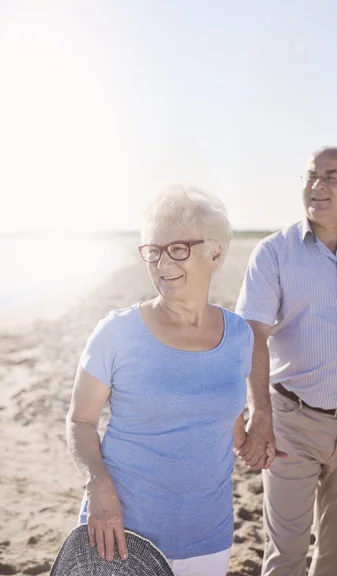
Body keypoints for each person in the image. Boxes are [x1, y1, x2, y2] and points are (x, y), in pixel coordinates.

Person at [66, 184, 255, 576]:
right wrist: (97, 485)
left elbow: (227, 415)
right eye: (153, 251)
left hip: (208, 536)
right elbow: (80, 420)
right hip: (120, 534)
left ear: (215, 253)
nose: (163, 264)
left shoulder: (239, 335)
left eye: (179, 249)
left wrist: (252, 440)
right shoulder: (116, 333)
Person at [235, 146, 337, 576]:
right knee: (285, 555)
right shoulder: (273, 252)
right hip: (292, 421)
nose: (318, 185)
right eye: (311, 176)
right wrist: (261, 414)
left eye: (331, 176)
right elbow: (251, 335)